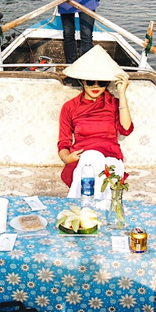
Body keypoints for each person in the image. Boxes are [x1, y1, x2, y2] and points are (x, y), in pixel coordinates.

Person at [57, 45, 133, 200]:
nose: (96, 87)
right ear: (83, 80)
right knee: (91, 158)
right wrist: (67, 158)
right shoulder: (70, 107)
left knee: (98, 163)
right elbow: (63, 142)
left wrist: (122, 94)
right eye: (91, 82)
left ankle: (81, 212)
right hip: (84, 159)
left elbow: (125, 129)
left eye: (102, 83)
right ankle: (93, 213)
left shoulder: (113, 103)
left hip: (111, 158)